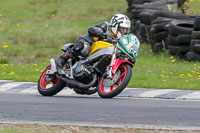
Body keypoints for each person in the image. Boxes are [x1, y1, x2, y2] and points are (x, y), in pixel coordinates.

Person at [56, 14, 131, 74]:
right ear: (115, 25)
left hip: (100, 52)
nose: (124, 31)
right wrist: (100, 33)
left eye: (126, 29)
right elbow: (91, 29)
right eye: (122, 28)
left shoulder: (119, 39)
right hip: (88, 43)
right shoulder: (106, 26)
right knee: (84, 48)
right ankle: (61, 61)